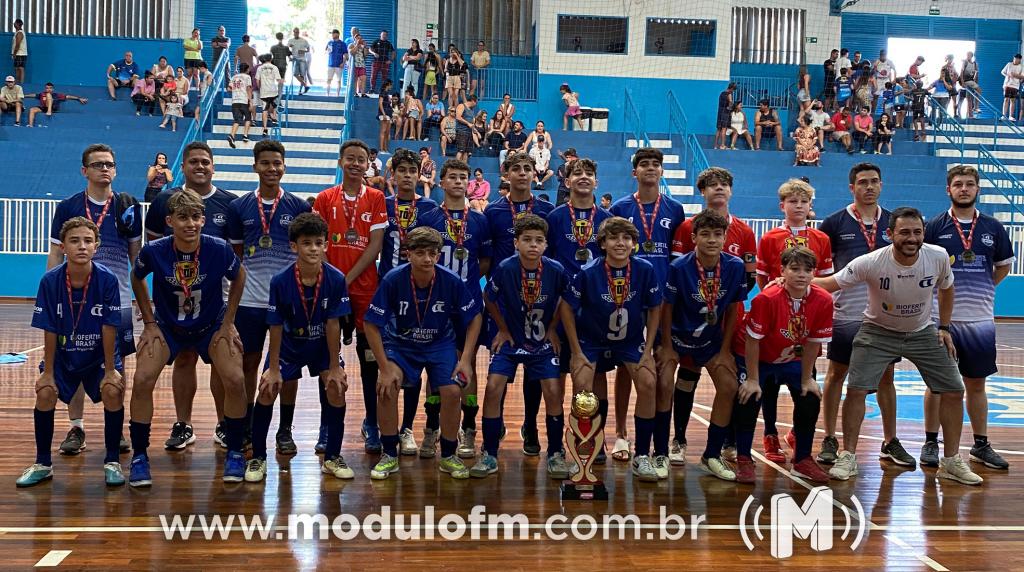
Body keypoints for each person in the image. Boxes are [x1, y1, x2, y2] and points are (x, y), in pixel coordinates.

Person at [812, 207, 981, 485]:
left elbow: (947, 288)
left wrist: (944, 327)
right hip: (877, 331)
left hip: (923, 331)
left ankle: (950, 461)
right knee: (856, 390)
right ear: (890, 234)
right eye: (904, 232)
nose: (911, 238)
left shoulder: (937, 257)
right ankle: (849, 456)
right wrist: (791, 281)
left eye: (917, 232)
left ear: (924, 234)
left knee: (953, 389)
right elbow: (830, 283)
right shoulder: (872, 261)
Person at [128, 190, 248, 486]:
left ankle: (234, 451)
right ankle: (140, 456)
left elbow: (240, 276)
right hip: (168, 327)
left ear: (204, 220)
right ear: (170, 221)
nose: (190, 223)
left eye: (196, 217)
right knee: (142, 379)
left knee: (234, 379)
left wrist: (228, 322)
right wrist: (150, 322)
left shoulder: (218, 248)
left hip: (210, 325)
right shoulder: (154, 250)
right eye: (183, 217)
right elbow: (136, 277)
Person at [364, 226, 482, 480]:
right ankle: (389, 454)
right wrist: (384, 368)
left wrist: (465, 360)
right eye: (420, 253)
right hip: (401, 344)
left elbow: (474, 318)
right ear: (408, 254)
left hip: (440, 344)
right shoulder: (393, 279)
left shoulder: (451, 280)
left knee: (452, 391)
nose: (427, 259)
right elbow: (370, 324)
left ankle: (449, 455)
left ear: (439, 255)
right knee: (386, 385)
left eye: (432, 253)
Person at [17, 217, 127, 488]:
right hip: (65, 357)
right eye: (74, 241)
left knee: (113, 390)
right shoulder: (50, 281)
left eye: (88, 241)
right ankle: (43, 463)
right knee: (45, 392)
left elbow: (109, 325)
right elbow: (50, 329)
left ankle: (112, 460)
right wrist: (49, 373)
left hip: (98, 357)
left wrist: (111, 370)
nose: (82, 246)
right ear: (63, 247)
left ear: (97, 246)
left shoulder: (107, 279)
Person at [144, 142, 237, 450]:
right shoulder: (164, 201)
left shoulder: (229, 203)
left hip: (215, 299)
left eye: (205, 162)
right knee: (184, 358)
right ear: (182, 166)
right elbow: (153, 251)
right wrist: (150, 316)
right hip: (175, 299)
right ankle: (183, 424)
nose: (200, 166)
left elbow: (236, 258)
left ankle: (224, 424)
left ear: (213, 166)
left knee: (219, 363)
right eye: (193, 161)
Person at [247, 212, 352, 482]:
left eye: (319, 243)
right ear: (294, 246)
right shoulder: (280, 281)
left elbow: (333, 325)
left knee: (337, 388)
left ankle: (332, 457)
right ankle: (258, 457)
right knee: (268, 388)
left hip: (320, 347)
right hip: (289, 347)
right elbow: (276, 325)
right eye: (307, 243)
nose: (314, 249)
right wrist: (272, 369)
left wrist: (333, 367)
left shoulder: (336, 278)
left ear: (326, 245)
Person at [816, 163, 909, 467]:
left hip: (885, 316)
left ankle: (890, 440)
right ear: (851, 187)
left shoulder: (895, 223)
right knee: (836, 375)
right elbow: (822, 270)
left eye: (874, 181)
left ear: (881, 185)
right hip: (847, 314)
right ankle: (830, 437)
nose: (869, 187)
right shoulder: (833, 223)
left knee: (886, 377)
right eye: (862, 182)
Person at [48, 144, 138, 456]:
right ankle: (77, 427)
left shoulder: (128, 205)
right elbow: (57, 252)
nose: (104, 169)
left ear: (115, 169)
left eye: (109, 164)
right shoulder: (68, 206)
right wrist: (51, 293)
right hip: (73, 299)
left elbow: (135, 256)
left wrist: (141, 298)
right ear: (84, 170)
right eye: (97, 164)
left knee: (118, 365)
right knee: (72, 360)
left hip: (117, 298)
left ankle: (117, 426)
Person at [922, 165, 1013, 471]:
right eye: (958, 184)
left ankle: (981, 444)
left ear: (978, 189)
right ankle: (931, 442)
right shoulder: (934, 227)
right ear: (948, 189)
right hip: (938, 320)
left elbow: (1002, 267)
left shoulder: (993, 227)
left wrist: (982, 288)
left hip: (979, 321)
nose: (964, 189)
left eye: (969, 184)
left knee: (976, 384)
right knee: (937, 384)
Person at [561, 216, 662, 481]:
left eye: (626, 238)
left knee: (649, 382)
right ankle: (586, 451)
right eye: (614, 238)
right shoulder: (588, 272)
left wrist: (648, 349)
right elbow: (566, 308)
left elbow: (655, 308)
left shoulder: (645, 270)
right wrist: (576, 351)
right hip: (592, 341)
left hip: (629, 341)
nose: (621, 243)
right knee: (583, 383)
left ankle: (641, 455)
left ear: (634, 244)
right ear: (603, 243)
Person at [228, 140, 312, 456]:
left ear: (284, 166)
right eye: (265, 163)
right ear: (255, 167)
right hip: (249, 302)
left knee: (287, 367)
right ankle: (249, 425)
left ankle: (285, 429)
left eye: (277, 163)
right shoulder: (239, 208)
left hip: (288, 301)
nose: (271, 169)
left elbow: (304, 254)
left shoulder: (299, 207)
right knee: (249, 363)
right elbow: (236, 259)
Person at [669, 167, 756, 463]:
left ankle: (727, 442)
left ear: (731, 190)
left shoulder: (743, 231)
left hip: (727, 318)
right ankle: (678, 439)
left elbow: (750, 279)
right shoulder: (686, 228)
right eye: (711, 185)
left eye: (723, 184)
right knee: (687, 377)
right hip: (690, 320)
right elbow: (681, 275)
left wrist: (721, 293)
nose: (718, 189)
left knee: (730, 378)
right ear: (702, 192)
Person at [472, 214, 569, 478]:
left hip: (541, 343)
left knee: (552, 390)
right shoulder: (505, 268)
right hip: (512, 340)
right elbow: (487, 297)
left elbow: (566, 300)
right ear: (516, 242)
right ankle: (490, 453)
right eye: (527, 240)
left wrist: (552, 329)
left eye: (539, 241)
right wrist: (502, 328)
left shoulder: (556, 270)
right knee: (493, 387)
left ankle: (556, 452)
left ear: (546, 245)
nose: (533, 245)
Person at [608, 148, 685, 468]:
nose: (650, 169)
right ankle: (622, 432)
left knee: (661, 368)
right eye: (644, 164)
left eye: (656, 164)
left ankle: (659, 442)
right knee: (627, 367)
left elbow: (678, 256)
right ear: (634, 172)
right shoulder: (620, 208)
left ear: (662, 171)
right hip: (627, 298)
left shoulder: (675, 209)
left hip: (663, 301)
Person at [659, 209, 746, 481]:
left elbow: (733, 308)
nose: (711, 240)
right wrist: (666, 346)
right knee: (663, 383)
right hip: (677, 338)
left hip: (711, 342)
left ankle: (711, 455)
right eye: (705, 234)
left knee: (729, 386)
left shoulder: (734, 266)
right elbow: (666, 308)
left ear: (724, 238)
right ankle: (661, 451)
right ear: (694, 237)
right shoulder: (679, 267)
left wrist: (724, 350)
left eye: (717, 234)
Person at [313, 140, 388, 454]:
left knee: (370, 361)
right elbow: (317, 242)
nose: (357, 164)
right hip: (329, 288)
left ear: (368, 165)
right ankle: (327, 423)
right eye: (351, 159)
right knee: (327, 359)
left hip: (364, 288)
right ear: (341, 161)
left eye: (362, 160)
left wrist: (346, 279)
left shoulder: (376, 197)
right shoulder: (324, 198)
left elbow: (375, 245)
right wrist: (333, 280)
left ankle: (372, 422)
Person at [735, 246, 833, 484]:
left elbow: (812, 343)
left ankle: (802, 460)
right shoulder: (765, 299)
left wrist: (808, 378)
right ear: (782, 271)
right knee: (749, 397)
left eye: (807, 270)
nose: (801, 274)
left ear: (814, 273)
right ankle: (744, 458)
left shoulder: (823, 299)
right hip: (758, 357)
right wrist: (753, 379)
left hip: (792, 359)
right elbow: (752, 341)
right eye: (795, 269)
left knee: (810, 397)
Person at [417, 160, 493, 458]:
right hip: (435, 301)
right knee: (434, 367)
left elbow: (484, 261)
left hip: (469, 302)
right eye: (453, 177)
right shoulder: (430, 216)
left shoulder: (479, 220)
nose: (459, 182)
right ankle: (431, 427)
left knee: (467, 363)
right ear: (442, 182)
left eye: (464, 177)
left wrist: (464, 285)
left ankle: (469, 428)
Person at [752, 179, 832, 463]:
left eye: (803, 201)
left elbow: (825, 279)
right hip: (777, 316)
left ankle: (799, 432)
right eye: (792, 201)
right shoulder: (770, 238)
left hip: (807, 318)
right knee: (770, 382)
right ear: (782, 205)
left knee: (806, 375)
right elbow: (762, 278)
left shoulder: (821, 239)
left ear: (811, 206)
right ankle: (770, 433)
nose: (798, 206)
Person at [379, 150, 438, 455]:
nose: (406, 175)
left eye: (411, 170)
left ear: (419, 174)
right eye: (400, 170)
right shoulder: (381, 204)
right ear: (393, 175)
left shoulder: (429, 207)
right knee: (386, 366)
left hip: (419, 295)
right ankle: (379, 427)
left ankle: (406, 429)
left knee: (415, 366)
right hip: (388, 292)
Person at [226, 63, 253, 148]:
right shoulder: (247, 77)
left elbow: (228, 89)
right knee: (248, 117)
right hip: (244, 100)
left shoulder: (234, 77)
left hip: (235, 101)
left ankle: (232, 135)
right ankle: (245, 135)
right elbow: (248, 89)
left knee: (237, 120)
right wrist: (251, 101)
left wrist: (235, 90)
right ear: (247, 69)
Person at [256, 53, 283, 137]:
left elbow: (257, 80)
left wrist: (260, 88)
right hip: (273, 90)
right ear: (271, 59)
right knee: (274, 105)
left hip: (264, 91)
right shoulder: (274, 67)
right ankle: (274, 117)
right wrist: (282, 81)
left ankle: (265, 129)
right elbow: (278, 80)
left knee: (264, 109)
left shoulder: (260, 68)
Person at [454, 95, 478, 163]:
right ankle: (455, 166)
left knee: (466, 152)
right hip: (462, 131)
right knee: (460, 151)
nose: (476, 105)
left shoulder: (472, 110)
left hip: (469, 132)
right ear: (473, 101)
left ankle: (464, 168)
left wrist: (474, 129)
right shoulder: (461, 106)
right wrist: (468, 123)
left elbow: (472, 123)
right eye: (476, 102)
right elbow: (458, 117)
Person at [1000, 53, 1023, 121]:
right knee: (1006, 99)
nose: (1015, 60)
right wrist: (1008, 75)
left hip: (1015, 86)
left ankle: (1010, 116)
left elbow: (1022, 76)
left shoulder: (1021, 66)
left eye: (1017, 59)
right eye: (1014, 59)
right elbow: (1002, 72)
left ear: (1019, 60)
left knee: (1013, 100)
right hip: (1007, 84)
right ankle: (1004, 116)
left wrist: (1015, 75)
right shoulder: (1009, 64)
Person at [325, 29, 348, 97]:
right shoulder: (329, 42)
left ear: (337, 34)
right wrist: (327, 50)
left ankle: (337, 94)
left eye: (333, 33)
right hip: (330, 64)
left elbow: (346, 54)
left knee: (338, 80)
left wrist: (343, 63)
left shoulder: (342, 44)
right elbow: (326, 51)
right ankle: (327, 94)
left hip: (339, 65)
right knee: (329, 79)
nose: (332, 35)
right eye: (331, 34)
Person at [958, 51, 980, 119]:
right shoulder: (965, 62)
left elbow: (976, 74)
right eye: (967, 55)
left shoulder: (975, 64)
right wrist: (962, 82)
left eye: (969, 55)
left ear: (972, 56)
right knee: (969, 98)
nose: (968, 56)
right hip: (965, 80)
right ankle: (970, 114)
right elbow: (961, 72)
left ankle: (975, 107)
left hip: (971, 81)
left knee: (978, 91)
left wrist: (976, 82)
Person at [714, 83, 736, 150]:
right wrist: (730, 107)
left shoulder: (721, 93)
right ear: (731, 88)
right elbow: (730, 103)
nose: (733, 91)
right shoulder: (729, 94)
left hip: (720, 112)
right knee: (724, 129)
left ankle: (715, 146)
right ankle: (722, 145)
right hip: (725, 113)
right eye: (733, 90)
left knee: (718, 129)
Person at [349, 32, 368, 97]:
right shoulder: (351, 45)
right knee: (355, 79)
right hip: (354, 65)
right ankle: (355, 93)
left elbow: (365, 55)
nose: (359, 39)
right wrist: (357, 44)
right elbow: (352, 53)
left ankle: (363, 93)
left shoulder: (362, 46)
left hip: (361, 64)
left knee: (364, 78)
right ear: (354, 39)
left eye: (360, 38)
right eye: (358, 38)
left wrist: (365, 47)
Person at [10, 18, 26, 84]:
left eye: (15, 23)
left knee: (20, 68)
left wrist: (14, 54)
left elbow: (17, 45)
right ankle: (18, 83)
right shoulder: (17, 32)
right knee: (17, 68)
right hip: (19, 53)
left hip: (20, 54)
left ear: (18, 24)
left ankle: (21, 83)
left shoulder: (19, 33)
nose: (14, 24)